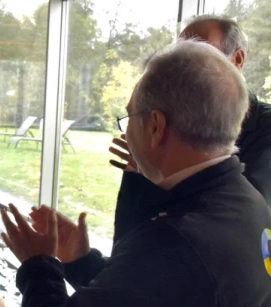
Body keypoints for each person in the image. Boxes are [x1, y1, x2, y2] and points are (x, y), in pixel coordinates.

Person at [2, 41, 271, 307]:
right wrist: (83, 263)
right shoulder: (247, 204)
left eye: (129, 117)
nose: (126, 130)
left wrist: (37, 265)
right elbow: (168, 304)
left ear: (155, 126)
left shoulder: (179, 238)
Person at [110, 15, 271, 244]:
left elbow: (236, 217)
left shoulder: (265, 128)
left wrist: (158, 168)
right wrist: (145, 163)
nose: (181, 61)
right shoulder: (168, 117)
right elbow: (127, 247)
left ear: (237, 59)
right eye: (180, 49)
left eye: (200, 48)